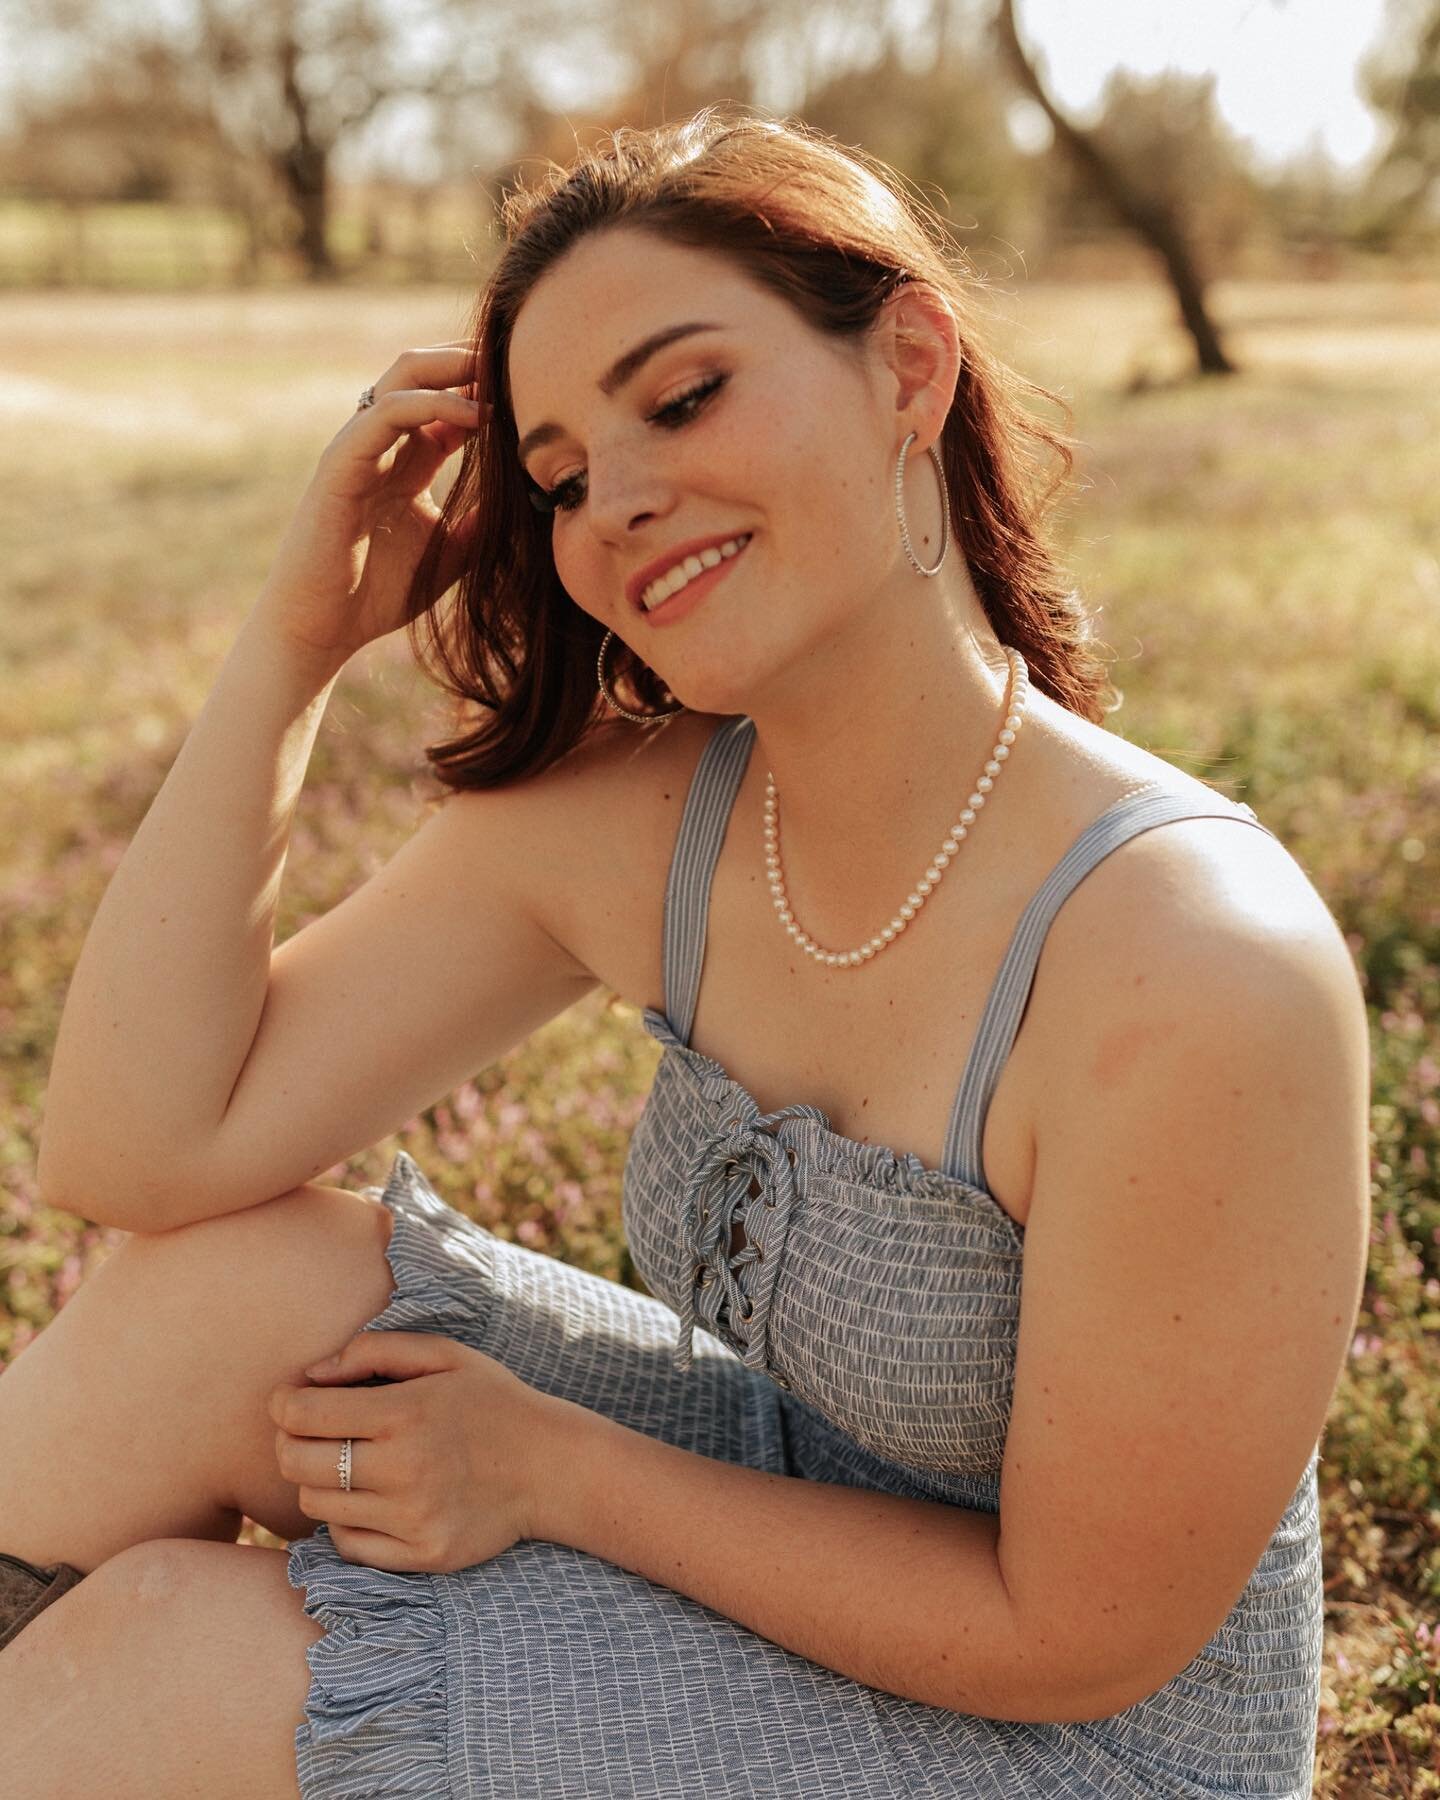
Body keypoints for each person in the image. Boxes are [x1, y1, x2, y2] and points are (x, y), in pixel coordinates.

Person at [0, 104, 1369, 1797]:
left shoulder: (1190, 967)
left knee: (165, 1661)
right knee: (213, 1301)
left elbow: (1079, 1635)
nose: (619, 505)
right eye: (563, 477)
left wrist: (558, 1472)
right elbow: (138, 1149)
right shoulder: (658, 823)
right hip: (803, 1502)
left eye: (686, 396)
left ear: (910, 367)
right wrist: (293, 640)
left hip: (1069, 1741)